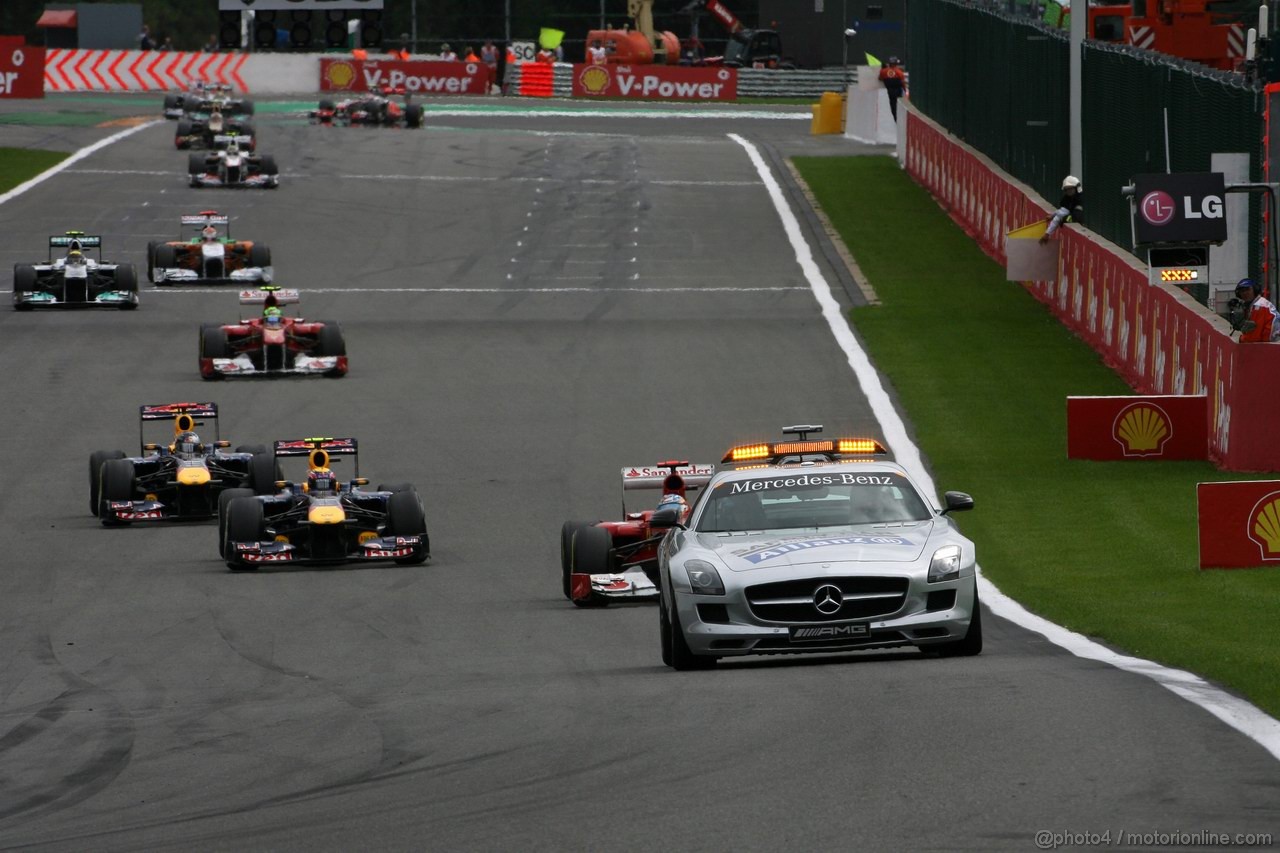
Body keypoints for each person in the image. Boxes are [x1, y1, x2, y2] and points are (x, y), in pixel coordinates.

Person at [1231, 278, 1280, 343]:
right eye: (1242, 291)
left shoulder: (1259, 306)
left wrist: (1240, 339)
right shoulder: (1256, 304)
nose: (1245, 293)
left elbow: (1253, 338)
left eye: (1247, 290)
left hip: (1273, 345)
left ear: (1255, 290)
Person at [1040, 176, 1084, 243]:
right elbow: (1062, 212)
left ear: (1076, 188)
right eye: (1067, 190)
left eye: (1070, 189)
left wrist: (1063, 219)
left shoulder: (1080, 200)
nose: (1068, 191)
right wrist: (1053, 216)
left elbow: (1076, 217)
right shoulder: (1067, 199)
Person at [878, 56, 907, 121]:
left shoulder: (883, 71)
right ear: (895, 64)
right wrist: (905, 90)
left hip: (889, 91)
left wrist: (883, 69)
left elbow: (880, 78)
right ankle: (897, 117)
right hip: (898, 91)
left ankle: (894, 117)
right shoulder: (899, 72)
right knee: (898, 104)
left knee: (892, 104)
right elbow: (903, 82)